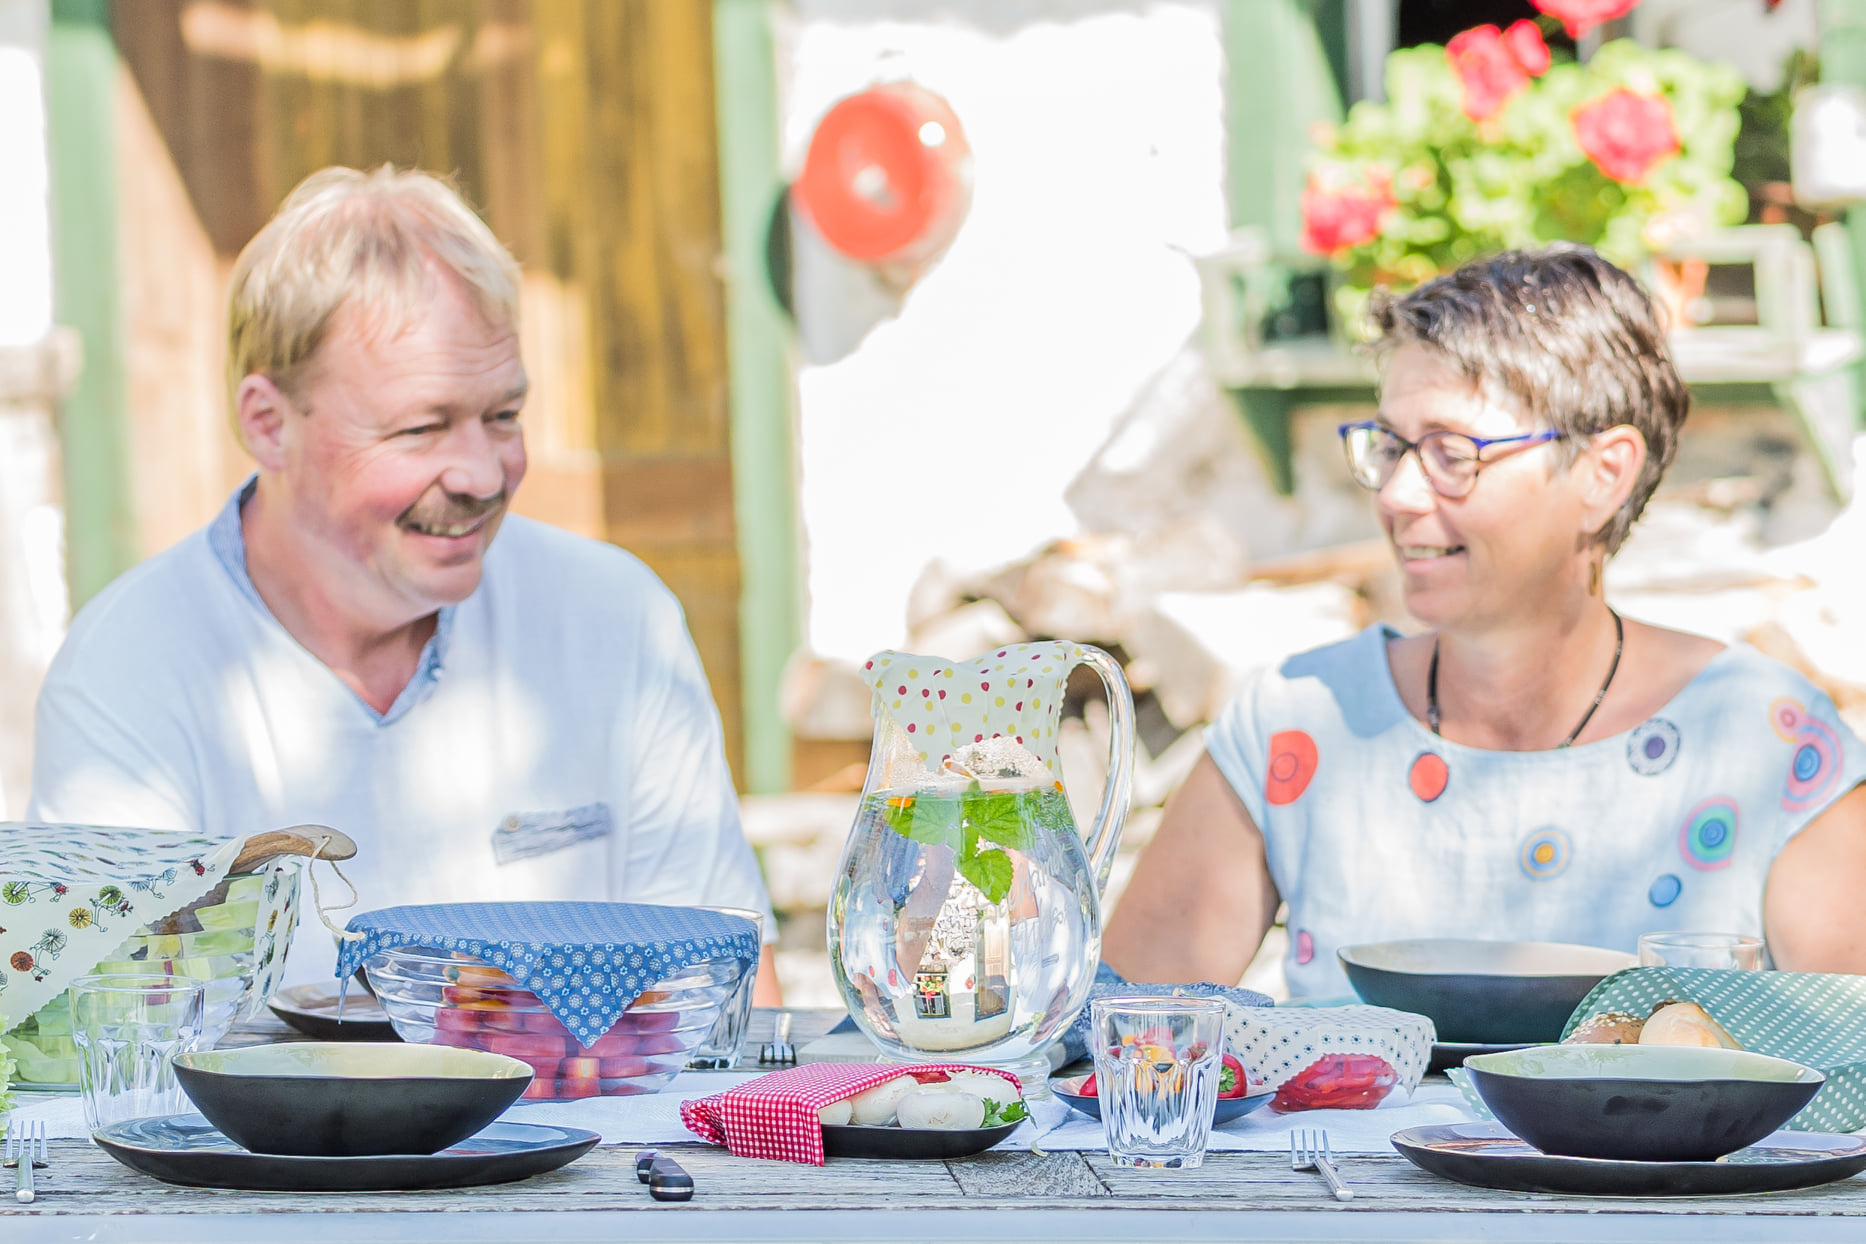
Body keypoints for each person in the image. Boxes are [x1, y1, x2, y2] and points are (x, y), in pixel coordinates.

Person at [29, 166, 780, 999]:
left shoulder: (616, 616)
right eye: (422, 428)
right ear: (267, 424)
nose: (484, 474)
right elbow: (108, 1044)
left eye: (503, 416)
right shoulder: (131, 666)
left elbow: (723, 1007)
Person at [1103, 247, 1866, 998]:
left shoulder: (1768, 738)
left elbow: (1853, 1077)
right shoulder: (1293, 725)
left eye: (1451, 452)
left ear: (1604, 475)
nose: (1398, 495)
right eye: (1393, 447)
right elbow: (1124, 1041)